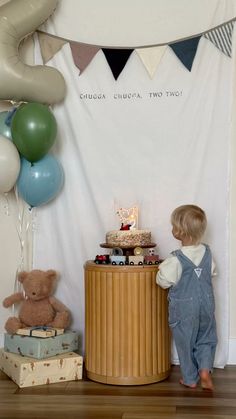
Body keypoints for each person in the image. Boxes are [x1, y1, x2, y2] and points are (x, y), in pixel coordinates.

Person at [156, 204, 217, 390]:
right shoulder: (207, 253)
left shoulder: (176, 259)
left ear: (180, 232)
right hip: (206, 305)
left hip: (184, 309)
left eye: (174, 226)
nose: (172, 229)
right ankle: (205, 370)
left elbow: (163, 281)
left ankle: (190, 378)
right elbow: (212, 272)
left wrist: (159, 272)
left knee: (185, 342)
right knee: (206, 338)